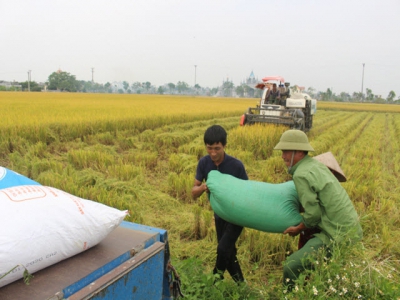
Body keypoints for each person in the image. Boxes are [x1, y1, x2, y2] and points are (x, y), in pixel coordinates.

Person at [273, 129, 363, 290]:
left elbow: (313, 215)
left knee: (291, 266)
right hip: (351, 228)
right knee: (314, 269)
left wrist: (297, 228)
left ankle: (290, 295)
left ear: (299, 151)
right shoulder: (316, 165)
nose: (282, 156)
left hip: (335, 234)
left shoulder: (301, 174)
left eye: (286, 151)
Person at [192, 125, 248, 283]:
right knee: (229, 252)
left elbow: (246, 191)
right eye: (209, 148)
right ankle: (242, 287)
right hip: (219, 215)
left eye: (217, 148)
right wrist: (204, 187)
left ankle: (215, 279)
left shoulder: (236, 166)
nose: (213, 153)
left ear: (225, 146)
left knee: (223, 249)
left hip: (236, 215)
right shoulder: (204, 163)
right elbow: (193, 192)